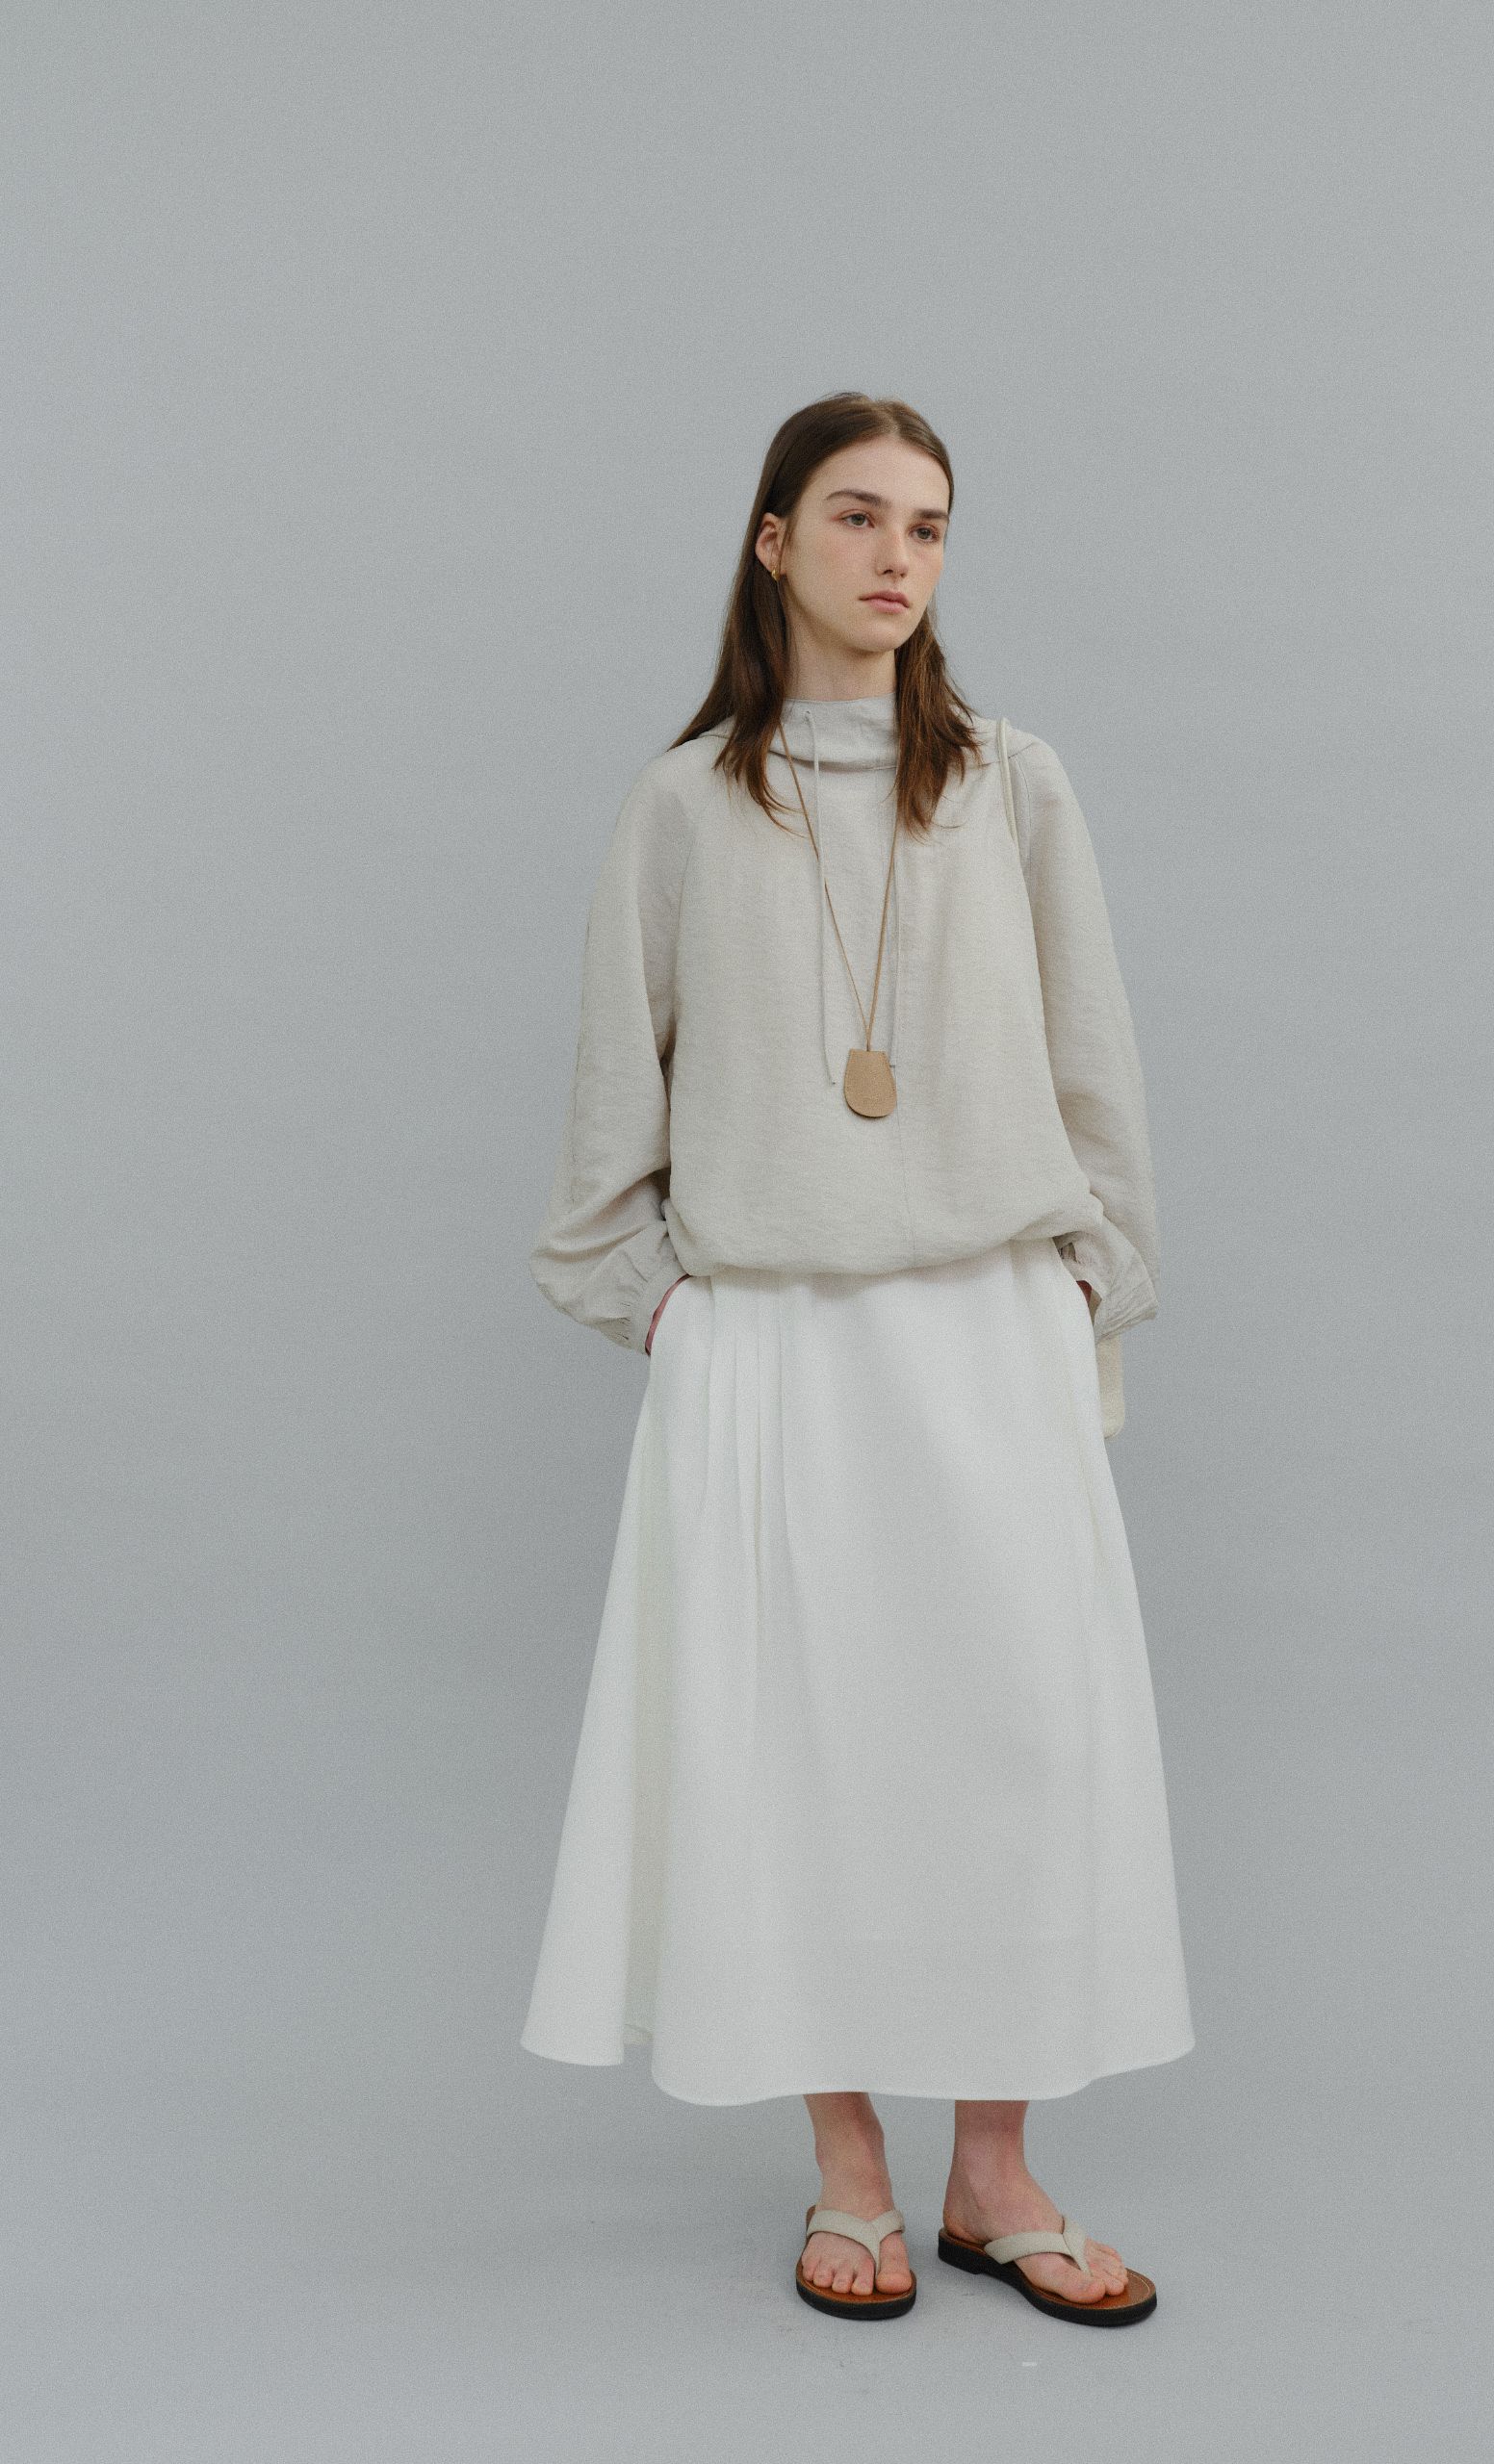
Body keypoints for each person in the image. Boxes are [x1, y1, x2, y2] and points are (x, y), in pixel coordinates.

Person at [519, 392, 1193, 2327]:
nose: (899, 557)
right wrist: (683, 1315)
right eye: (857, 515)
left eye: (931, 525)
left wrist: (1079, 1292)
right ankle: (848, 2171)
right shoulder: (682, 809)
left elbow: (1095, 1072)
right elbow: (603, 1147)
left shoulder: (1012, 785)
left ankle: (995, 2172)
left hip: (986, 1327)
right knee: (793, 1754)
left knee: (1016, 1742)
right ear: (773, 538)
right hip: (776, 1347)